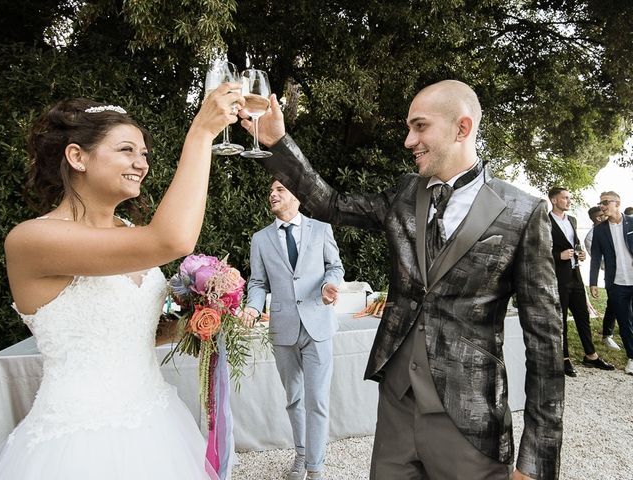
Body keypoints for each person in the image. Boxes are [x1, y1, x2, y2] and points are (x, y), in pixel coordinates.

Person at [240, 80, 564, 480]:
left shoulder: (523, 212)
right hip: (396, 408)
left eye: (420, 127)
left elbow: (546, 345)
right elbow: (330, 204)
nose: (409, 140)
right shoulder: (405, 193)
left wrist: (535, 462)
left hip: (469, 421)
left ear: (461, 128)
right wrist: (277, 140)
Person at [0, 88, 243, 480]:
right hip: (79, 444)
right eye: (126, 150)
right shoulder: (32, 240)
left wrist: (203, 319)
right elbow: (172, 240)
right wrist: (201, 133)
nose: (140, 163)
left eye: (143, 154)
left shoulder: (129, 233)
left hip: (156, 420)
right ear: (77, 157)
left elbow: (134, 332)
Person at [238, 179, 344, 480]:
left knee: (318, 400)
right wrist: (253, 307)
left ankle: (315, 468)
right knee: (294, 398)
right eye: (270, 190)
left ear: (297, 196)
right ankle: (300, 455)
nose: (272, 194)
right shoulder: (260, 239)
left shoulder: (321, 229)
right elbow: (258, 283)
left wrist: (328, 285)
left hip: (318, 324)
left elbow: (335, 267)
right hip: (282, 328)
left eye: (280, 189)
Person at [548, 187, 614, 377]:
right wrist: (557, 255)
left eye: (570, 198)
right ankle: (564, 358)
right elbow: (538, 249)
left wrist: (581, 253)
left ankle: (591, 355)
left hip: (576, 276)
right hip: (558, 277)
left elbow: (574, 243)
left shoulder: (572, 220)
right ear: (554, 200)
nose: (569, 201)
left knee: (583, 317)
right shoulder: (544, 220)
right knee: (561, 321)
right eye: (565, 198)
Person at [589, 191, 633, 375]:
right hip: (616, 283)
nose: (602, 206)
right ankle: (632, 357)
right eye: (600, 204)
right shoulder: (599, 230)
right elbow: (596, 258)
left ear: (618, 203)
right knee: (625, 322)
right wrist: (592, 282)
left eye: (605, 202)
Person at [585, 206, 621, 350]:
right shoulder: (590, 237)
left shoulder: (613, 227)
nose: (606, 214)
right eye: (602, 214)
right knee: (613, 303)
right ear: (597, 218)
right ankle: (607, 335)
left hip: (627, 272)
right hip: (612, 273)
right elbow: (598, 260)